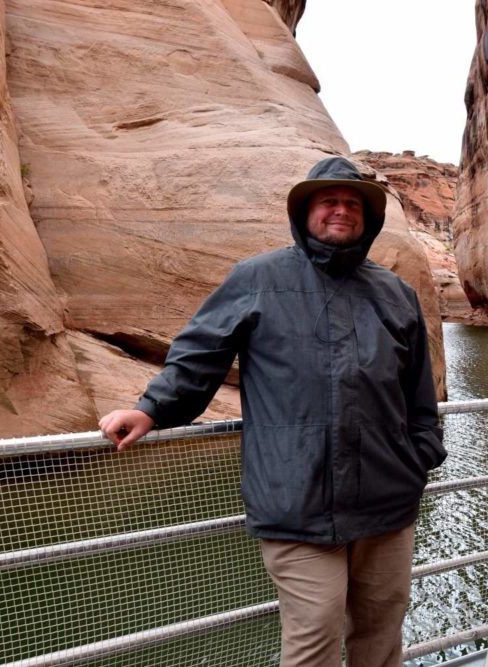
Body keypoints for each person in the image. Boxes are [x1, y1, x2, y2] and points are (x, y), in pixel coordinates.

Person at [98, 156, 447, 667]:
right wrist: (152, 409)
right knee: (315, 635)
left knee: (381, 629)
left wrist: (420, 455)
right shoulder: (257, 278)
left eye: (352, 203)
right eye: (328, 201)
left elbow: (420, 396)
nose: (340, 211)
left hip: (387, 500)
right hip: (295, 498)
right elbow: (200, 355)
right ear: (303, 212)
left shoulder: (395, 294)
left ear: (368, 220)